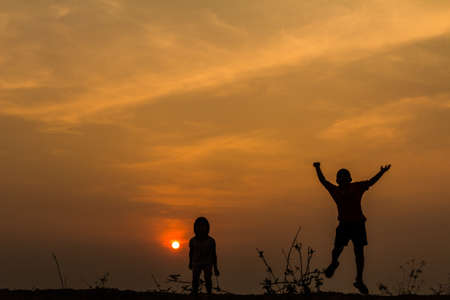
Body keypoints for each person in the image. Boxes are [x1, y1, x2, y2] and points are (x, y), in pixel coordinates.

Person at [313, 162, 391, 294]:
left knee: (359, 253)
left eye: (344, 177)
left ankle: (359, 279)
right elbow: (323, 180)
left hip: (358, 224)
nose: (342, 179)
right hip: (344, 224)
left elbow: (371, 182)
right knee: (337, 249)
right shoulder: (335, 190)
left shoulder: (356, 187)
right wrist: (318, 168)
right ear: (337, 180)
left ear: (349, 179)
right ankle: (334, 263)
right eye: (340, 177)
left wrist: (382, 173)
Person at [189, 217, 220, 294]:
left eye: (203, 226)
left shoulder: (211, 241)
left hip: (208, 263)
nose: (201, 229)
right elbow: (191, 252)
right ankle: (195, 293)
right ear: (195, 228)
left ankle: (209, 294)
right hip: (196, 263)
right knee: (195, 280)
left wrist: (215, 267)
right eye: (198, 226)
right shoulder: (192, 241)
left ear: (207, 228)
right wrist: (190, 262)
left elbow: (214, 254)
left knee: (208, 279)